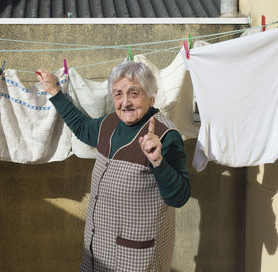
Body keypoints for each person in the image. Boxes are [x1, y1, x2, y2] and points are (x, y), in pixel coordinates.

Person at [36, 61, 190, 272]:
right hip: (98, 253)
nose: (125, 102)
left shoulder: (165, 136)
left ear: (151, 96)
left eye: (133, 93)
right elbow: (81, 128)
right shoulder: (109, 124)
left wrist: (157, 161)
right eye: (118, 94)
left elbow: (179, 197)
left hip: (136, 260)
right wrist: (54, 91)